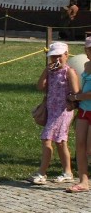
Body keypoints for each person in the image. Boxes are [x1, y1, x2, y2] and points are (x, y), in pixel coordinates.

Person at [28, 42, 77, 185]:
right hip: (52, 110)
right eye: (53, 57)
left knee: (48, 139)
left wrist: (71, 101)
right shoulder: (51, 72)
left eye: (59, 56)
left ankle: (42, 173)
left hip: (63, 111)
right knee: (60, 142)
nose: (56, 60)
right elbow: (40, 86)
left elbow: (75, 91)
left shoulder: (69, 71)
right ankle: (67, 172)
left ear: (66, 55)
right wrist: (46, 71)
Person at [68, 37, 91, 193]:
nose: (89, 51)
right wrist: (75, 100)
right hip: (84, 110)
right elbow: (84, 89)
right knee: (80, 146)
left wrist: (76, 97)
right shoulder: (86, 65)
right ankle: (83, 181)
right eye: (88, 48)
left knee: (90, 147)